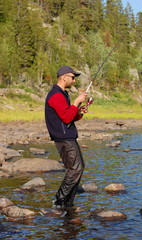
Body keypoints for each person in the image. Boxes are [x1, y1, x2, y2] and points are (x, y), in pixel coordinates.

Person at [45, 65, 88, 209]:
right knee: (75, 169)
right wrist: (76, 102)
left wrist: (79, 111)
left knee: (78, 168)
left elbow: (69, 116)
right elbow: (66, 118)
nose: (74, 80)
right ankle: (59, 202)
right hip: (64, 139)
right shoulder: (56, 95)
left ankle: (68, 203)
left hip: (68, 137)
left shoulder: (62, 94)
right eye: (72, 77)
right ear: (64, 77)